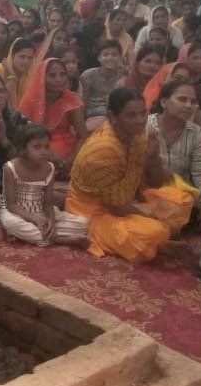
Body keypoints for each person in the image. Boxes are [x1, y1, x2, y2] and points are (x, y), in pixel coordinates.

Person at [66, 87, 193, 263]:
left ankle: (158, 240)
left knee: (183, 199)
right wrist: (160, 222)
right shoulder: (102, 150)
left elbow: (155, 184)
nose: (140, 121)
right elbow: (116, 207)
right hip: (95, 212)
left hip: (129, 200)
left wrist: (154, 160)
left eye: (143, 113)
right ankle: (159, 243)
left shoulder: (138, 136)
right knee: (151, 232)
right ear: (112, 117)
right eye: (131, 115)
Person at [0, 124, 89, 247]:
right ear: (23, 150)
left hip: (40, 210)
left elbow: (48, 204)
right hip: (17, 213)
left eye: (46, 147)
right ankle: (62, 240)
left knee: (82, 224)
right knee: (12, 223)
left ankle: (42, 234)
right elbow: (12, 205)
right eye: (37, 147)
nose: (44, 152)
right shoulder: (10, 168)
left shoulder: (49, 168)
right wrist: (35, 219)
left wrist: (51, 222)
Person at [148, 80, 201, 224]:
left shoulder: (195, 133)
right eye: (182, 99)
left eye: (193, 101)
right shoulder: (144, 126)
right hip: (147, 193)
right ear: (164, 102)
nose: (188, 105)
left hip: (181, 198)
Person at [18, 57, 88, 170]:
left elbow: (83, 135)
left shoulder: (71, 99)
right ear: (42, 78)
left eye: (62, 74)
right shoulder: (30, 101)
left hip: (70, 150)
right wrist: (54, 157)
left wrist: (71, 160)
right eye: (52, 75)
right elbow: (24, 136)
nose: (59, 79)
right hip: (39, 148)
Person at [79, 40, 123, 131]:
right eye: (105, 55)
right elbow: (80, 104)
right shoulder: (88, 75)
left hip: (113, 117)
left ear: (120, 58)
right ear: (99, 58)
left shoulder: (123, 77)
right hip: (91, 115)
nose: (110, 58)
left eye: (114, 55)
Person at [0, 38, 35, 107]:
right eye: (22, 57)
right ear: (12, 55)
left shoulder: (32, 74)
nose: (26, 62)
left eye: (30, 58)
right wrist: (10, 76)